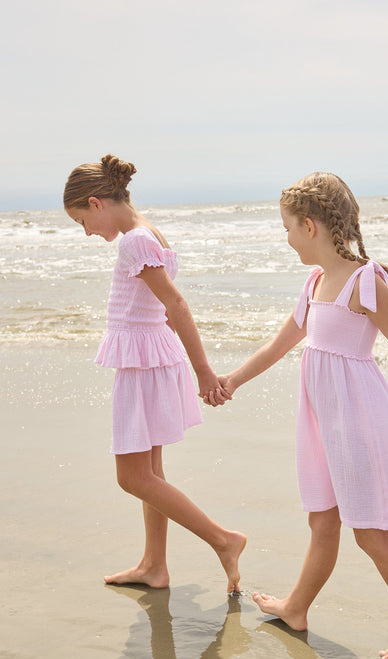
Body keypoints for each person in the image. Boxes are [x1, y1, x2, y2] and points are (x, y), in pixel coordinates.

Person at [216, 172, 388, 659]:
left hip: (358, 420)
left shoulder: (366, 281)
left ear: (310, 225)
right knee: (323, 519)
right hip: (323, 421)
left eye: (287, 228)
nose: (286, 237)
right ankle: (297, 608)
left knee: (372, 534)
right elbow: (281, 343)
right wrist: (232, 380)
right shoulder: (316, 281)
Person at [63, 154, 245, 593]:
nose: (86, 232)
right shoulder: (148, 234)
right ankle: (154, 566)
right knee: (152, 473)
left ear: (96, 202)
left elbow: (176, 304)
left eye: (81, 221)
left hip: (143, 364)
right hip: (152, 357)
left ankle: (223, 540)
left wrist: (204, 372)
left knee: (132, 477)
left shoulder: (133, 241)